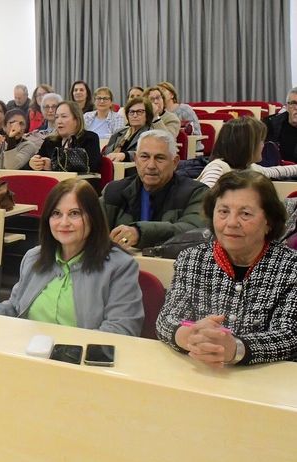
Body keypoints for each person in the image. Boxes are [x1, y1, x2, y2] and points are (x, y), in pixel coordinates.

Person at [156, 170, 297, 365]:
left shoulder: (290, 267)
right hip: (199, 373)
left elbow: (289, 336)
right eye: (223, 211)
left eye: (245, 214)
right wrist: (188, 335)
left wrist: (236, 348)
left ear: (269, 222)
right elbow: (167, 318)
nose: (231, 223)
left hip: (264, 384)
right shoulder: (192, 259)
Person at [0, 179, 144, 336]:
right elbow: (15, 308)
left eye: (74, 214)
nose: (63, 223)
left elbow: (121, 329)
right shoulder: (34, 257)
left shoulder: (120, 266)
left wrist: (64, 352)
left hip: (79, 357)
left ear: (93, 217)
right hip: (28, 351)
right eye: (56, 214)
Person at [102, 130, 208, 249]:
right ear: (136, 160)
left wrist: (139, 233)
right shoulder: (113, 191)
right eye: (144, 157)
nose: (151, 165)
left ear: (175, 162)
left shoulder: (196, 193)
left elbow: (194, 231)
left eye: (159, 158)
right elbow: (89, 226)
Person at [196, 117, 297, 188]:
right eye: (261, 140)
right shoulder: (218, 168)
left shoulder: (249, 167)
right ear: (246, 145)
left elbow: (278, 171)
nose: (263, 145)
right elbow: (201, 201)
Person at [29, 101, 101, 174]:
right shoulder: (50, 141)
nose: (59, 121)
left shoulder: (90, 138)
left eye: (64, 116)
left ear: (76, 119)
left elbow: (91, 166)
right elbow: (38, 159)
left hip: (80, 183)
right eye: (56, 117)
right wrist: (33, 163)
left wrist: (53, 165)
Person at [103, 97, 154, 162]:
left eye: (139, 112)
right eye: (131, 112)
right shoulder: (119, 132)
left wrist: (125, 155)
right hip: (114, 167)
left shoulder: (150, 134)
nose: (135, 115)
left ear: (148, 115)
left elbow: (147, 154)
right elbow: (107, 153)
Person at [264, 87, 297, 163]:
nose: (296, 107)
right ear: (287, 106)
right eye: (293, 103)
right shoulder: (271, 124)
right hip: (276, 171)